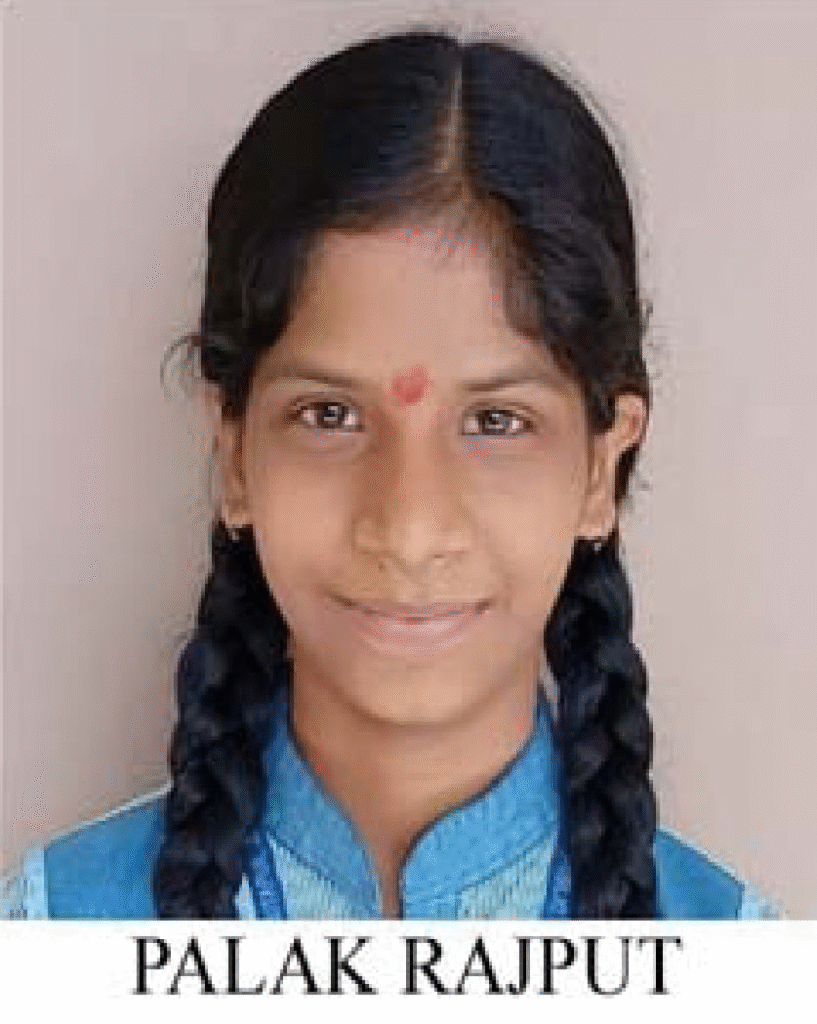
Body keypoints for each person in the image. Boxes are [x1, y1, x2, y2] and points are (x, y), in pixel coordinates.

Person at [1, 27, 779, 920]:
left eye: (495, 421)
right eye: (329, 415)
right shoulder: (53, 928)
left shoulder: (734, 950)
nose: (409, 529)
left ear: (601, 466)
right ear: (234, 450)